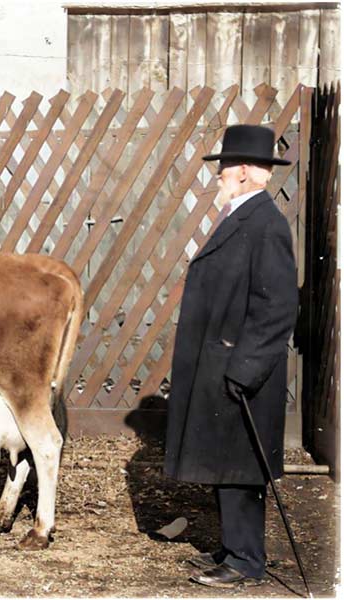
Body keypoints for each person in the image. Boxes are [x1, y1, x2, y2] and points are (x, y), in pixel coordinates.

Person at [163, 124, 299, 588]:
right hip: (226, 365)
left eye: (223, 168)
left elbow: (278, 307)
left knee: (241, 466)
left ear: (241, 172)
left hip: (243, 370)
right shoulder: (242, 216)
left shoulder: (265, 224)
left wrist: (244, 369)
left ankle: (245, 561)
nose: (217, 176)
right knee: (227, 459)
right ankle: (233, 548)